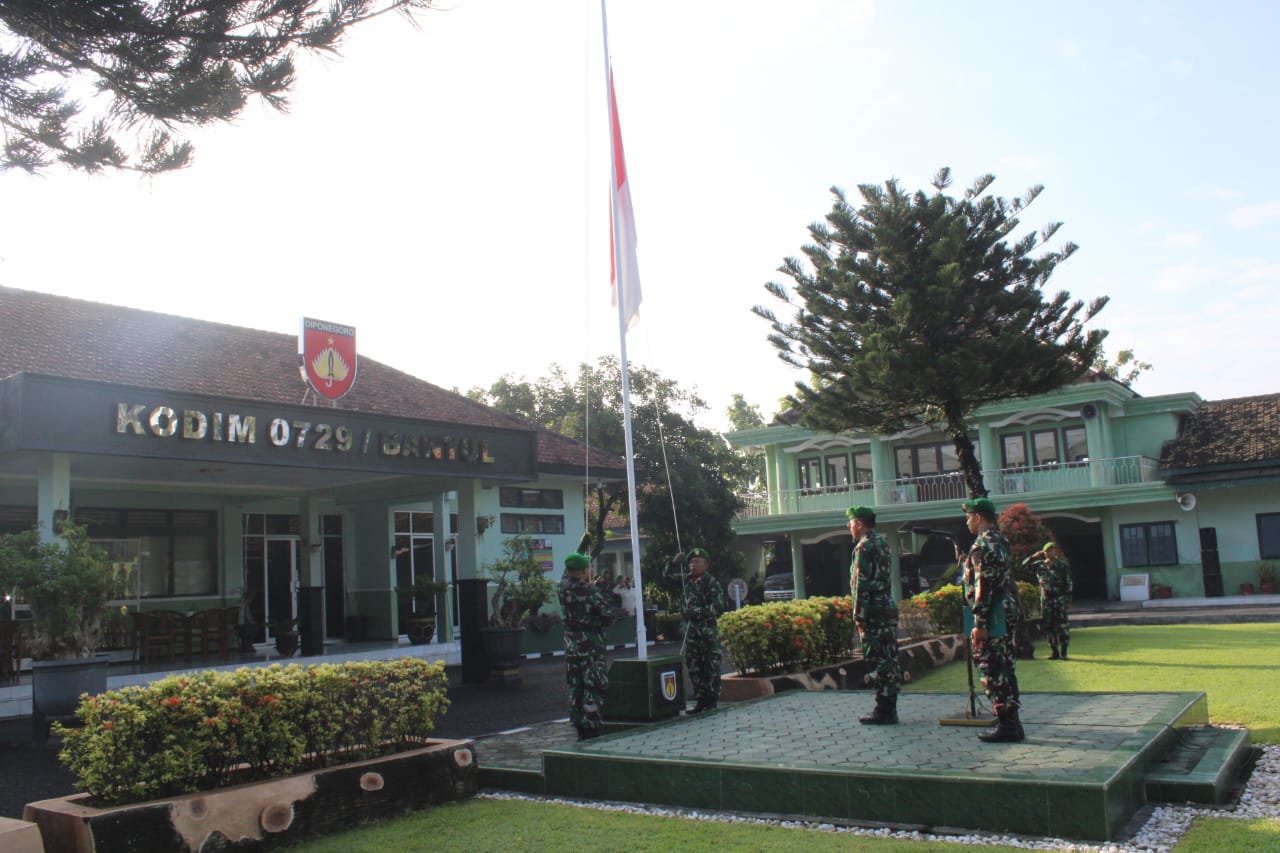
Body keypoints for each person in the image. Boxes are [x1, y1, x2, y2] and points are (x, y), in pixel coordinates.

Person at [961, 497, 1024, 743]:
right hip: (1004, 608)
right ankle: (1013, 724)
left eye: (969, 517)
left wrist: (980, 622)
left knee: (992, 667)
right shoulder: (999, 540)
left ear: (978, 517)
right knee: (1005, 666)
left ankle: (1007, 725)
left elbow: (983, 586)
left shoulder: (983, 544)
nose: (967, 522)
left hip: (992, 613)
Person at [847, 505, 903, 724]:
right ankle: (889, 707)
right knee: (889, 657)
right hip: (886, 606)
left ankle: (884, 710)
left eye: (851, 523)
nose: (849, 527)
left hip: (872, 611)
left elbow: (861, 584)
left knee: (877, 659)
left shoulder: (864, 547)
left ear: (860, 524)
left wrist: (859, 615)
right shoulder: (882, 543)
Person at [558, 541, 618, 740]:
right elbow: (609, 616)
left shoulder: (562, 587)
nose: (591, 571)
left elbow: (566, 572)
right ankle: (591, 726)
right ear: (583, 571)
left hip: (571, 645)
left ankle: (579, 726)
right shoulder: (590, 591)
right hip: (590, 645)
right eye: (588, 568)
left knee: (576, 686)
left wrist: (579, 548)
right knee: (594, 685)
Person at [670, 546, 727, 714]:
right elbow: (666, 579)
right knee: (694, 667)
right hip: (691, 634)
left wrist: (696, 612)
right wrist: (673, 563)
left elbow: (718, 606)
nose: (693, 565)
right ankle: (701, 700)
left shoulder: (711, 583)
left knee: (711, 667)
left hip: (706, 634)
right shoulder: (686, 581)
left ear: (706, 564)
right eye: (690, 562)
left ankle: (711, 700)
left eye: (697, 562)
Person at [1029, 540, 1073, 660]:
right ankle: (1054, 652)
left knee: (1063, 626)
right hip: (1046, 600)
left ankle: (1064, 652)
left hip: (1059, 599)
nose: (1050, 553)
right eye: (1048, 551)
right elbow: (1023, 566)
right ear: (1044, 552)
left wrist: (1068, 599)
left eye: (1052, 550)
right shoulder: (1040, 565)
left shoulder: (1062, 565)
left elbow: (1069, 582)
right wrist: (1033, 557)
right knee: (1048, 626)